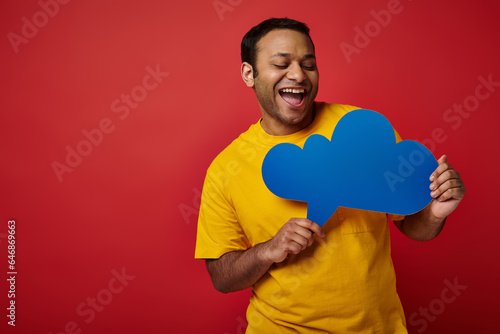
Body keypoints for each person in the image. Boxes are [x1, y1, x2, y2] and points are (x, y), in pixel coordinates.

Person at [194, 18, 466, 333]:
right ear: (248, 74)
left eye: (308, 65)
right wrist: (268, 250)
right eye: (281, 63)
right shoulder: (225, 169)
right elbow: (222, 278)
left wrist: (435, 211)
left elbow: (413, 224)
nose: (297, 75)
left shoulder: (361, 129)